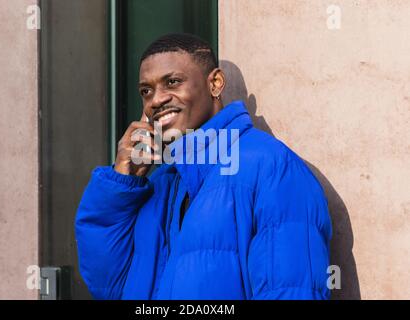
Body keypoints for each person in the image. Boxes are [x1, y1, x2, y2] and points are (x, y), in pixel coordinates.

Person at [75, 33, 332, 300]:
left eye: (172, 82)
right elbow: (110, 286)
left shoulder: (272, 167)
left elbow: (290, 292)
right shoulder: (162, 182)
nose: (156, 100)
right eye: (146, 91)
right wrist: (122, 185)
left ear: (216, 83)